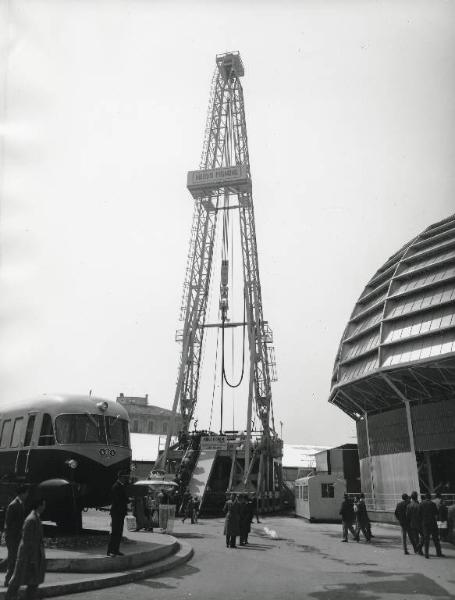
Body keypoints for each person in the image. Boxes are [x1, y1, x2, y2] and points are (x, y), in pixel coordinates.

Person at [5, 497, 46, 600]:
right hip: (27, 556)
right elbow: (28, 541)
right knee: (18, 580)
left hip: (32, 555)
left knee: (32, 581)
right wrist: (32, 559)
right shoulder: (31, 519)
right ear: (39, 505)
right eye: (44, 504)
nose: (45, 507)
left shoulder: (35, 517)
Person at [4, 485, 28, 588]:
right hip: (12, 537)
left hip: (17, 536)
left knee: (14, 558)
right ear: (22, 493)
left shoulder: (20, 504)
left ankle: (13, 580)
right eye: (26, 493)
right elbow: (8, 523)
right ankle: (7, 581)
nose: (27, 495)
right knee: (12, 559)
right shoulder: (13, 505)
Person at [107, 470, 130, 557]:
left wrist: (128, 500)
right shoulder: (116, 486)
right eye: (124, 477)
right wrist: (127, 500)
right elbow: (117, 500)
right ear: (120, 477)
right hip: (116, 512)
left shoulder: (121, 486)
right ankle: (110, 551)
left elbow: (123, 497)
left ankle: (116, 550)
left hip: (120, 512)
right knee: (115, 532)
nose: (126, 479)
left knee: (119, 532)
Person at [420, 492, 444, 558]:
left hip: (425, 523)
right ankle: (438, 553)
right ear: (430, 497)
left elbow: (419, 514)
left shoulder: (421, 504)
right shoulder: (432, 504)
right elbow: (436, 514)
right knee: (435, 538)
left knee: (426, 539)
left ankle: (426, 554)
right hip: (432, 523)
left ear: (425, 497)